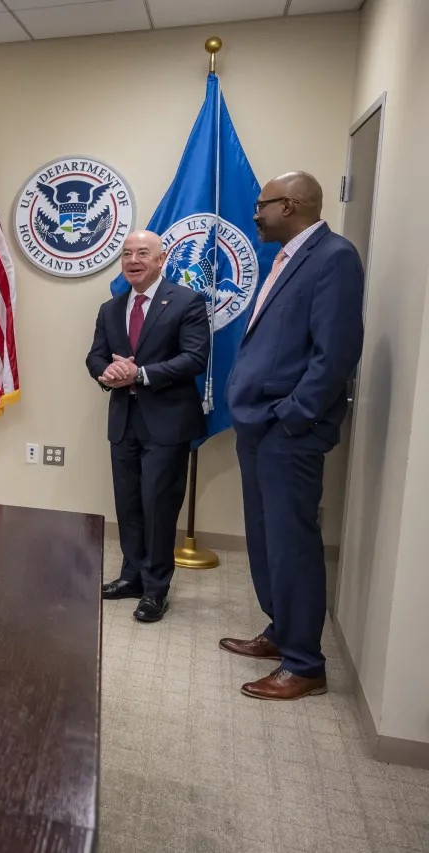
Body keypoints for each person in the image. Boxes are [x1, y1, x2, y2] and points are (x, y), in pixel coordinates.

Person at [221, 171, 364, 701]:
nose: (255, 214)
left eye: (263, 205)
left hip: (288, 431)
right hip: (259, 424)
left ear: (293, 204)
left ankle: (305, 664)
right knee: (265, 540)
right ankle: (282, 631)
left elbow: (336, 354)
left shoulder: (334, 258)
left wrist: (294, 415)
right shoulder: (284, 258)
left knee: (293, 544)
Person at [87, 230, 210, 624]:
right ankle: (132, 577)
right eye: (126, 254)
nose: (133, 260)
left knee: (158, 506)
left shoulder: (187, 302)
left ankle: (156, 589)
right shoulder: (111, 308)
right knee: (129, 505)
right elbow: (94, 357)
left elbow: (195, 359)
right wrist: (107, 372)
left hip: (167, 423)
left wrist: (139, 374)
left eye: (143, 253)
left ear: (162, 259)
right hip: (124, 422)